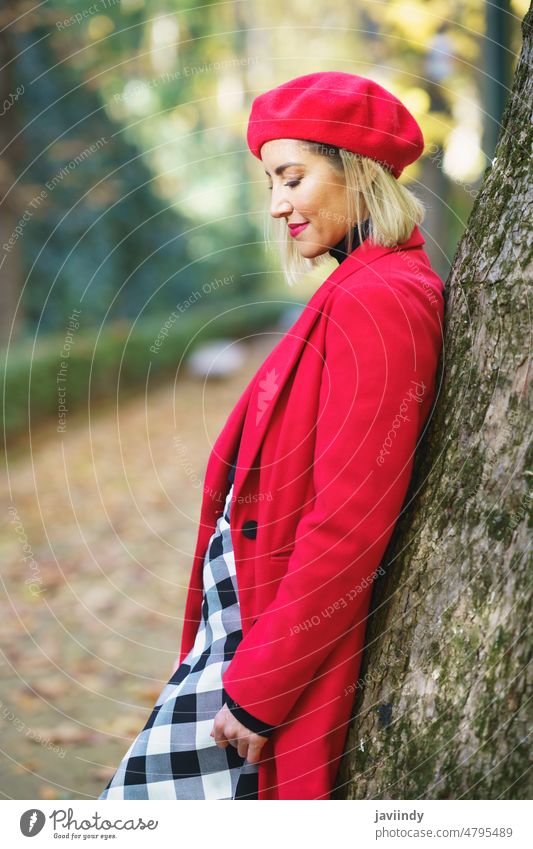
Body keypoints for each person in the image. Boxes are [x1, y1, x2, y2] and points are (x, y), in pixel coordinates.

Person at [98, 71, 445, 801]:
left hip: (260, 654)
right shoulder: (357, 284)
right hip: (241, 632)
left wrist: (261, 687)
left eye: (292, 176)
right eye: (269, 181)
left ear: (356, 171)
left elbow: (352, 516)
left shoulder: (381, 298)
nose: (276, 203)